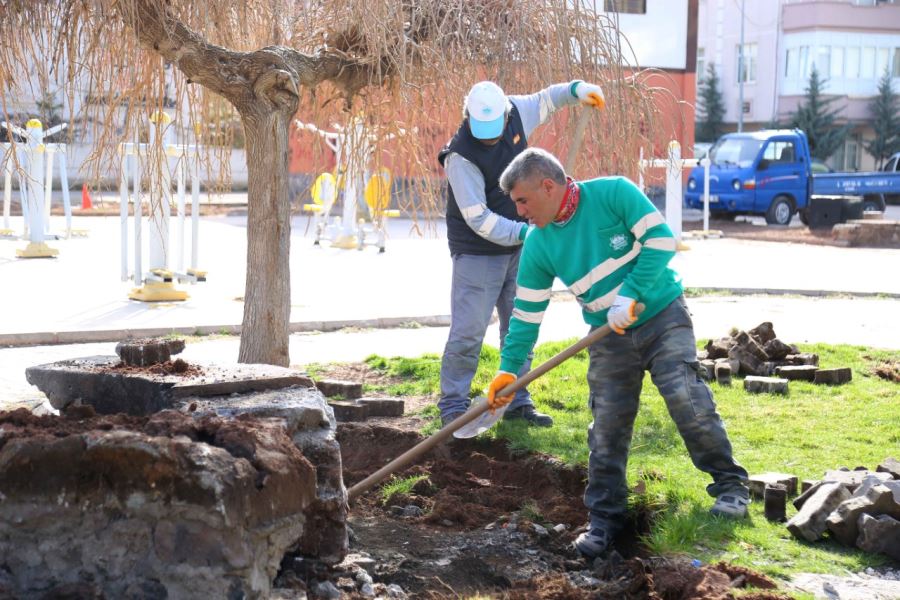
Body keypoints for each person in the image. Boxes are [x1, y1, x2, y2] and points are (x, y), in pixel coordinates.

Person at [488, 147, 751, 559]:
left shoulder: (613, 193)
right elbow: (525, 315)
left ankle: (731, 487)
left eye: (522, 200)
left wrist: (629, 293)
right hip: (607, 336)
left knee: (684, 395)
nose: (519, 212)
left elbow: (662, 240)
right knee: (607, 426)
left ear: (548, 187)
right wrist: (508, 371)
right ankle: (605, 520)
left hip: (661, 314)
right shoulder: (539, 244)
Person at [437, 79, 605, 428]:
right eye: (482, 132)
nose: (489, 139)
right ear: (468, 118)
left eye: (495, 130)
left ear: (505, 115)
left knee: (519, 326)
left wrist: (576, 90)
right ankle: (453, 404)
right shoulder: (460, 156)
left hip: (523, 246)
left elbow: (547, 99)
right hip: (477, 252)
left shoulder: (515, 111)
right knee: (468, 332)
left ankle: (517, 399)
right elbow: (478, 219)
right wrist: (527, 233)